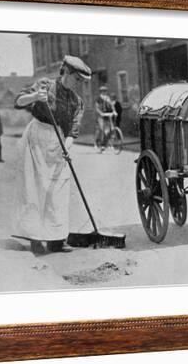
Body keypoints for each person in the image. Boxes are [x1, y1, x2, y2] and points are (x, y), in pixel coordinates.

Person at [13, 55, 90, 254]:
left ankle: (56, 239)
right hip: (36, 138)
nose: (78, 84)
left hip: (59, 141)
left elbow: (73, 130)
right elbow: (18, 101)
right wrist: (35, 97)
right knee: (36, 188)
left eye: (82, 82)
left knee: (58, 190)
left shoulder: (77, 101)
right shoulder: (45, 85)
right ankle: (35, 238)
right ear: (66, 73)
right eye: (77, 79)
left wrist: (67, 147)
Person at [94, 85, 115, 151]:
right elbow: (96, 108)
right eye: (103, 91)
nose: (104, 92)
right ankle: (98, 142)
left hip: (107, 115)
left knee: (110, 130)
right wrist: (101, 113)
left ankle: (105, 144)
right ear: (100, 92)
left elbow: (112, 106)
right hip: (101, 116)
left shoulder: (108, 98)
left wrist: (114, 111)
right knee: (101, 129)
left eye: (105, 91)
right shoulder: (98, 99)